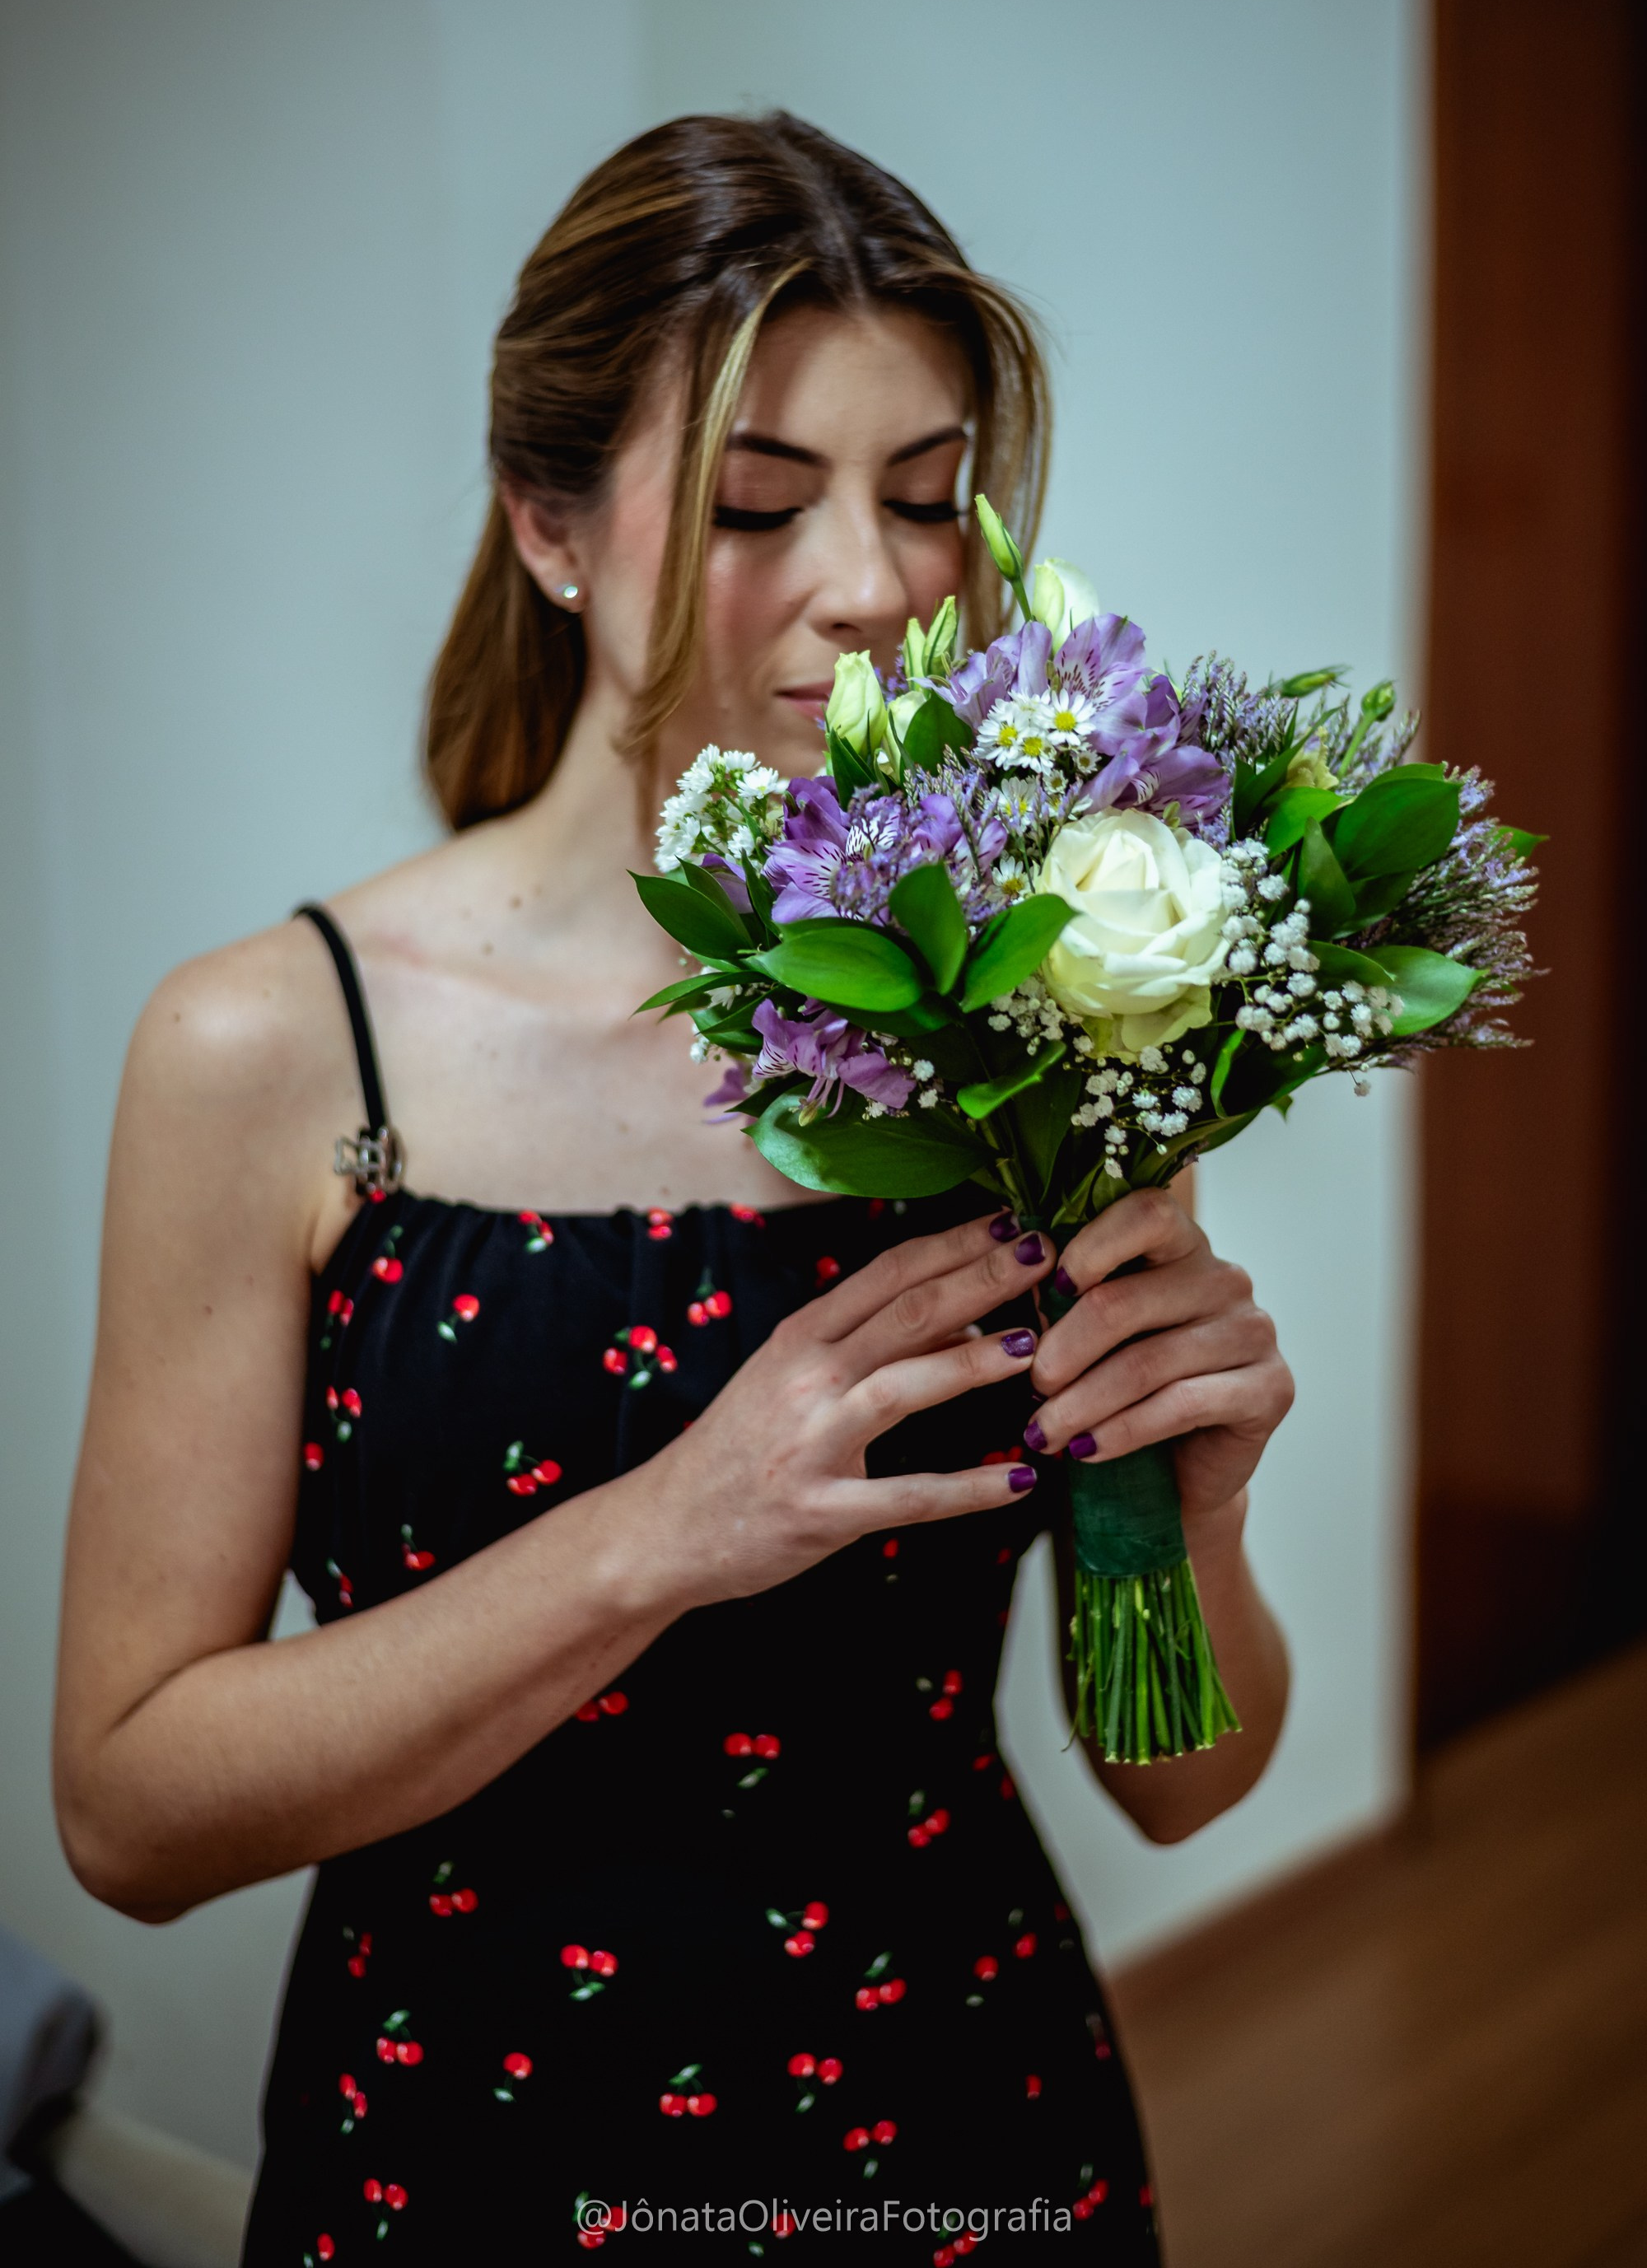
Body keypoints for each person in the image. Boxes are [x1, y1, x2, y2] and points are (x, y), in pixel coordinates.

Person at [54, 113, 1293, 2264]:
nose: (879, 585)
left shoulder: (1040, 1015)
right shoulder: (270, 1052)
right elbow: (129, 1809)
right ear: (548, 521)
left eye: (929, 500)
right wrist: (658, 1539)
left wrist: (1199, 1515)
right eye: (755, 504)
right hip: (471, 2152)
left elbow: (1178, 1774)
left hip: (966, 2124)